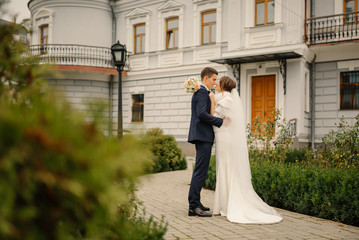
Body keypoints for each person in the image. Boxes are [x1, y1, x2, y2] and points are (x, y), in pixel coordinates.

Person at [209, 76, 283, 224]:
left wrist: (211, 102)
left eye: (218, 81)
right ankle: (223, 204)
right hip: (221, 137)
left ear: (223, 85)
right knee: (223, 167)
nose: (216, 83)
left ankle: (227, 204)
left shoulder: (227, 100)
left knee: (226, 167)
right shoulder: (224, 98)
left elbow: (222, 120)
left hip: (225, 137)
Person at [187, 67, 229, 217]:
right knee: (199, 171)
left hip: (203, 136)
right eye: (213, 79)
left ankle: (196, 203)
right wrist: (220, 121)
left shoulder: (204, 92)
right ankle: (193, 206)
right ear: (206, 79)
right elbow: (202, 114)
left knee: (201, 171)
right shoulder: (201, 92)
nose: (215, 82)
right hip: (202, 136)